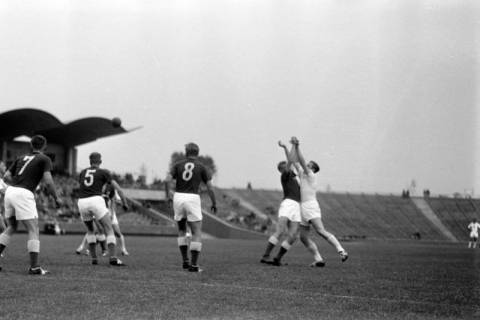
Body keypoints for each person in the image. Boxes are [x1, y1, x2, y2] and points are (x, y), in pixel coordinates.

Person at [0, 135, 62, 275]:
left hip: (10, 191)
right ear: (44, 146)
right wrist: (56, 197)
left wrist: (19, 179)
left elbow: (6, 177)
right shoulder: (44, 159)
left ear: (31, 145)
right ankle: (34, 267)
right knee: (33, 229)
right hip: (24, 193)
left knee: (11, 227)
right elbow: (48, 181)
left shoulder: (20, 158)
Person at [290, 137, 348, 264]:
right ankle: (318, 259)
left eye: (309, 165)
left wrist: (297, 145)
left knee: (320, 231)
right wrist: (291, 146)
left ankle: (341, 250)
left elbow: (301, 160)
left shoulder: (311, 175)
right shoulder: (302, 174)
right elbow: (293, 160)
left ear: (313, 169)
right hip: (303, 207)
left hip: (310, 206)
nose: (306, 166)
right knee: (303, 237)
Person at [165, 143, 217, 272]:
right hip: (192, 197)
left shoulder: (177, 165)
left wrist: (168, 196)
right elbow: (210, 187)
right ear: (197, 153)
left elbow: (167, 180)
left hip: (178, 196)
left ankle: (185, 261)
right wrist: (214, 203)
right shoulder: (202, 167)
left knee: (182, 230)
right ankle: (194, 265)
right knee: (196, 232)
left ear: (186, 152)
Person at [77, 152, 129, 266]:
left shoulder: (82, 172)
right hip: (96, 200)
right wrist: (125, 203)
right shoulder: (104, 172)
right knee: (109, 228)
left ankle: (94, 259)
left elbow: (82, 185)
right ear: (100, 161)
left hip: (82, 201)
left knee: (90, 231)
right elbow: (118, 189)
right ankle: (113, 258)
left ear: (90, 161)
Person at [260, 141, 301, 265]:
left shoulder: (294, 178)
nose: (289, 166)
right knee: (280, 231)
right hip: (288, 204)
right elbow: (291, 160)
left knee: (293, 236)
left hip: (296, 206)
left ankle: (278, 258)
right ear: (282, 169)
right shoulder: (285, 175)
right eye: (285, 165)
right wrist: (288, 147)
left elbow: (291, 162)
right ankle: (265, 255)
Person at [103, 183, 129, 255]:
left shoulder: (111, 188)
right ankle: (106, 250)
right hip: (101, 212)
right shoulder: (98, 186)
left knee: (117, 232)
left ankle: (123, 249)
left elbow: (118, 201)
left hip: (110, 212)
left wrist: (112, 210)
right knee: (104, 232)